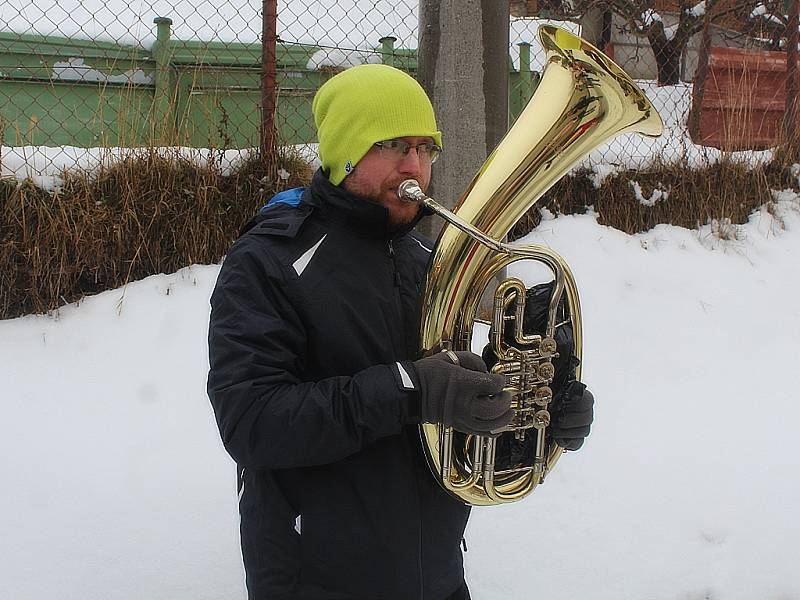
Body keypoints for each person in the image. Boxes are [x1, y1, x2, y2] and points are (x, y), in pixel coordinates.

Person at [207, 64, 593, 600]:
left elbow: (442, 420)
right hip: (317, 579)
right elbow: (251, 423)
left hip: (434, 575)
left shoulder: (421, 259)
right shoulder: (269, 260)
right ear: (346, 152)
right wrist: (412, 389)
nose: (415, 165)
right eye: (393, 145)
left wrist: (534, 415)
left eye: (425, 148)